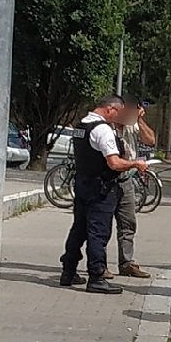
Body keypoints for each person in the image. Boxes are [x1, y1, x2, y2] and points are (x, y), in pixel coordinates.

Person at [59, 95, 149, 295]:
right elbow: (114, 163)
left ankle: (68, 270)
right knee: (98, 232)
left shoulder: (82, 125)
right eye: (119, 112)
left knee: (79, 229)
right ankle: (97, 276)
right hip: (101, 187)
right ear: (111, 109)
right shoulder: (102, 130)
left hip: (82, 183)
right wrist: (136, 164)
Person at [109, 100, 157, 280]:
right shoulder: (107, 128)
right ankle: (98, 265)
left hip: (126, 180)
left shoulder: (131, 127)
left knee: (128, 223)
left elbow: (150, 140)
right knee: (102, 225)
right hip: (108, 180)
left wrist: (139, 120)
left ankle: (127, 263)